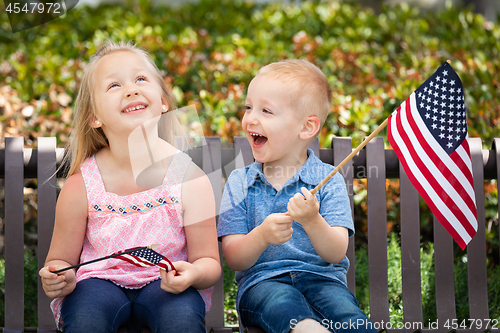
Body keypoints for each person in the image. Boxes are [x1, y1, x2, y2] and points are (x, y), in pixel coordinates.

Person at [39, 40, 220, 333]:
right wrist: (59, 275)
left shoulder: (189, 178)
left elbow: (209, 262)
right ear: (93, 117)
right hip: (97, 286)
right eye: (114, 85)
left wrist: (194, 273)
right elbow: (61, 260)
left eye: (140, 79)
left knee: (181, 321)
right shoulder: (82, 186)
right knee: (86, 321)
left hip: (166, 286)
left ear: (163, 101)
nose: (131, 89)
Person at [217, 59, 376, 333]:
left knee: (350, 319)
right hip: (263, 285)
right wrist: (262, 235)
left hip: (323, 281)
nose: (251, 118)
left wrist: (312, 220)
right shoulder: (240, 182)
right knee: (285, 306)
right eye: (248, 107)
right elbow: (234, 258)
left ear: (306, 128)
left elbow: (336, 252)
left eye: (266, 110)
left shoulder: (328, 182)